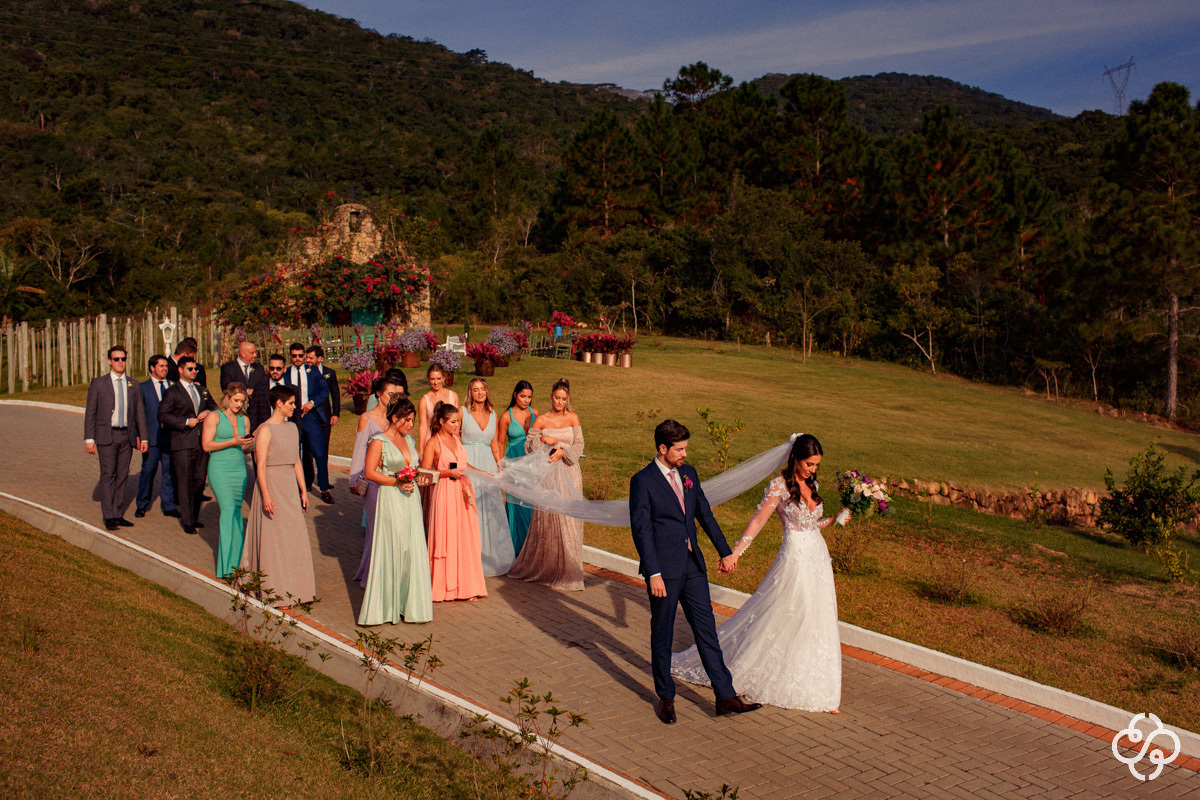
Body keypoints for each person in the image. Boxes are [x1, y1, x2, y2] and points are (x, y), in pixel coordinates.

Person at [672, 434, 845, 712]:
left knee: (816, 615)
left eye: (816, 465)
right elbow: (758, 521)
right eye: (809, 464)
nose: (813, 469)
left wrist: (836, 518)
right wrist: (735, 554)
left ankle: (818, 686)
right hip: (796, 558)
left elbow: (812, 524)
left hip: (817, 557)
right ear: (796, 458)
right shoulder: (778, 486)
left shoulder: (812, 483)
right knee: (788, 611)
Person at [629, 418, 761, 724]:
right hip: (663, 570)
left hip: (693, 566)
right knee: (661, 634)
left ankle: (725, 696)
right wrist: (653, 573)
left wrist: (726, 551)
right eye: (680, 449)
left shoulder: (689, 474)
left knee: (706, 630)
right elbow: (642, 531)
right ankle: (666, 697)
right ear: (662, 449)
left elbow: (704, 513)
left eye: (686, 448)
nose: (685, 454)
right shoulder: (643, 481)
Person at [358, 397, 433, 625]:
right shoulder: (378, 441)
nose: (411, 424)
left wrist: (422, 477)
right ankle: (386, 607)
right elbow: (370, 472)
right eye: (407, 420)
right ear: (394, 418)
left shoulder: (409, 440)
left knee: (410, 549)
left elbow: (414, 467)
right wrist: (395, 482)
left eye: (413, 420)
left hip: (410, 501)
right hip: (391, 499)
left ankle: (408, 604)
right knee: (394, 547)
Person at [507, 378, 585, 591]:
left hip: (570, 473)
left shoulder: (573, 417)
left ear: (567, 399)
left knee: (568, 518)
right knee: (550, 517)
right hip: (548, 474)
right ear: (551, 397)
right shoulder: (541, 420)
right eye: (557, 398)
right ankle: (549, 566)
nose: (560, 402)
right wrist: (542, 440)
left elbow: (579, 444)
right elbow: (527, 447)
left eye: (563, 399)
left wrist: (564, 452)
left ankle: (570, 569)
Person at [241, 385, 316, 605]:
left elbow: (296, 461)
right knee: (273, 538)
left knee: (294, 536)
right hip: (271, 484)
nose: (294, 407)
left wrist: (303, 490)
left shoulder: (293, 428)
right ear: (279, 404)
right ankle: (273, 588)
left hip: (289, 488)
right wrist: (265, 494)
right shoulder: (264, 429)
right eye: (291, 403)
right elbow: (260, 464)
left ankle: (297, 588)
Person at [420, 402, 487, 602]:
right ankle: (446, 587)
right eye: (454, 422)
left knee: (465, 537)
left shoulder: (456, 439)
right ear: (442, 422)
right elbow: (424, 475)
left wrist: (484, 473)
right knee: (448, 537)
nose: (458, 425)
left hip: (463, 492)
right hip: (445, 493)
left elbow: (463, 464)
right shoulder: (433, 443)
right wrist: (447, 473)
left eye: (458, 421)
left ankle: (466, 586)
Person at [84, 345, 149, 531]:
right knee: (108, 474)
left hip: (126, 436)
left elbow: (139, 413)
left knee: (122, 475)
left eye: (123, 359)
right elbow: (91, 412)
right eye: (116, 359)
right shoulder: (99, 383)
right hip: (107, 435)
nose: (120, 362)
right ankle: (109, 515)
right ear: (109, 361)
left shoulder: (133, 384)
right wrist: (89, 439)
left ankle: (118, 513)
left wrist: (143, 438)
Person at [351, 375, 406, 586]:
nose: (394, 397)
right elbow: (359, 450)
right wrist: (354, 480)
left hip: (394, 481)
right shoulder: (367, 417)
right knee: (376, 529)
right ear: (379, 395)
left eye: (397, 394)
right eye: (390, 394)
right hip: (373, 481)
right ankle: (373, 575)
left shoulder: (397, 418)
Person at [460, 378, 515, 576]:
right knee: (469, 508)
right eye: (476, 390)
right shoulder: (462, 412)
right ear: (471, 393)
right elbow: (454, 439)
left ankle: (488, 557)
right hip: (468, 464)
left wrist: (500, 468)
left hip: (488, 465)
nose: (480, 393)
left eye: (483, 389)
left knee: (490, 509)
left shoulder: (493, 414)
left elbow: (494, 444)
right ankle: (467, 558)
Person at [158, 355, 217, 535]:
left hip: (202, 442)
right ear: (181, 370)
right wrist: (185, 422)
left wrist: (208, 411)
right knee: (184, 481)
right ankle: (187, 520)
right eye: (190, 369)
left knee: (199, 480)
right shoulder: (172, 392)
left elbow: (216, 407)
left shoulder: (202, 390)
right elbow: (163, 415)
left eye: (195, 369)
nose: (194, 372)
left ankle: (195, 515)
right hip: (183, 442)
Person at [202, 382, 254, 579]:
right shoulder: (214, 416)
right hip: (219, 469)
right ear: (227, 398)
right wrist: (233, 441)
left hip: (239, 469)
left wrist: (252, 442)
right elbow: (206, 445)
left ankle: (237, 565)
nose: (239, 404)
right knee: (227, 511)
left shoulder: (245, 420)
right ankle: (225, 567)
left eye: (242, 401)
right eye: (236, 400)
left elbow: (244, 449)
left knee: (236, 513)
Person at [283, 342, 333, 504]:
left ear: (304, 356)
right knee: (294, 454)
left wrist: (312, 403)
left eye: (300, 355)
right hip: (291, 418)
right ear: (290, 356)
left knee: (319, 453)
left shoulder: (312, 372)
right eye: (294, 355)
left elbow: (325, 391)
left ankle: (324, 488)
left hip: (310, 416)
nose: (297, 358)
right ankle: (298, 489)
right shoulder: (286, 373)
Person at [135, 354, 179, 520]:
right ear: (152, 368)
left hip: (169, 437)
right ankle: (142, 503)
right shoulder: (142, 388)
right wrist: (140, 437)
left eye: (166, 366)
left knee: (169, 471)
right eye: (161, 366)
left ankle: (169, 505)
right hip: (151, 438)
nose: (165, 369)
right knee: (148, 470)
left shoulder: (172, 386)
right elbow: (138, 414)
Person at [497, 380, 538, 555]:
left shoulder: (535, 413)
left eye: (529, 397)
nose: (526, 400)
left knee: (531, 503)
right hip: (513, 462)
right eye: (523, 396)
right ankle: (515, 549)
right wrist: (501, 466)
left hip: (532, 464)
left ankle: (531, 549)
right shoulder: (507, 416)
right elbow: (499, 442)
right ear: (515, 395)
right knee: (516, 504)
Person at [305, 344, 339, 486]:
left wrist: (335, 414)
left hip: (325, 416)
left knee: (323, 449)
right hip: (309, 416)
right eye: (306, 357)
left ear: (319, 358)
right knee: (307, 450)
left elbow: (335, 394)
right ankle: (308, 480)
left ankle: (323, 480)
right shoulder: (304, 372)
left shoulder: (329, 373)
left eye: (310, 358)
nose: (307, 360)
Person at [220, 340, 270, 432]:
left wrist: (254, 392)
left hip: (257, 413)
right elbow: (226, 388)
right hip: (237, 412)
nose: (255, 355)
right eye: (252, 353)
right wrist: (246, 392)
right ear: (243, 354)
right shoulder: (228, 368)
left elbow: (265, 386)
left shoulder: (258, 368)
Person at [417, 363, 458, 452]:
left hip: (451, 438)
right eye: (432, 379)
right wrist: (421, 450)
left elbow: (457, 421)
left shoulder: (453, 396)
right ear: (428, 379)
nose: (436, 382)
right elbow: (423, 426)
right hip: (433, 439)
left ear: (443, 378)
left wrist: (457, 441)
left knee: (452, 465)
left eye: (438, 379)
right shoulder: (424, 400)